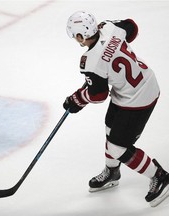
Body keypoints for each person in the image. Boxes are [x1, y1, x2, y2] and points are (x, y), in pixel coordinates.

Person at [63, 11, 169, 207]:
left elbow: (98, 95)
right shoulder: (111, 29)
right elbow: (132, 27)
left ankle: (161, 177)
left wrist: (77, 99)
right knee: (110, 130)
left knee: (118, 147)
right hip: (133, 87)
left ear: (80, 36)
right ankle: (112, 172)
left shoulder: (90, 63)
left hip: (138, 99)